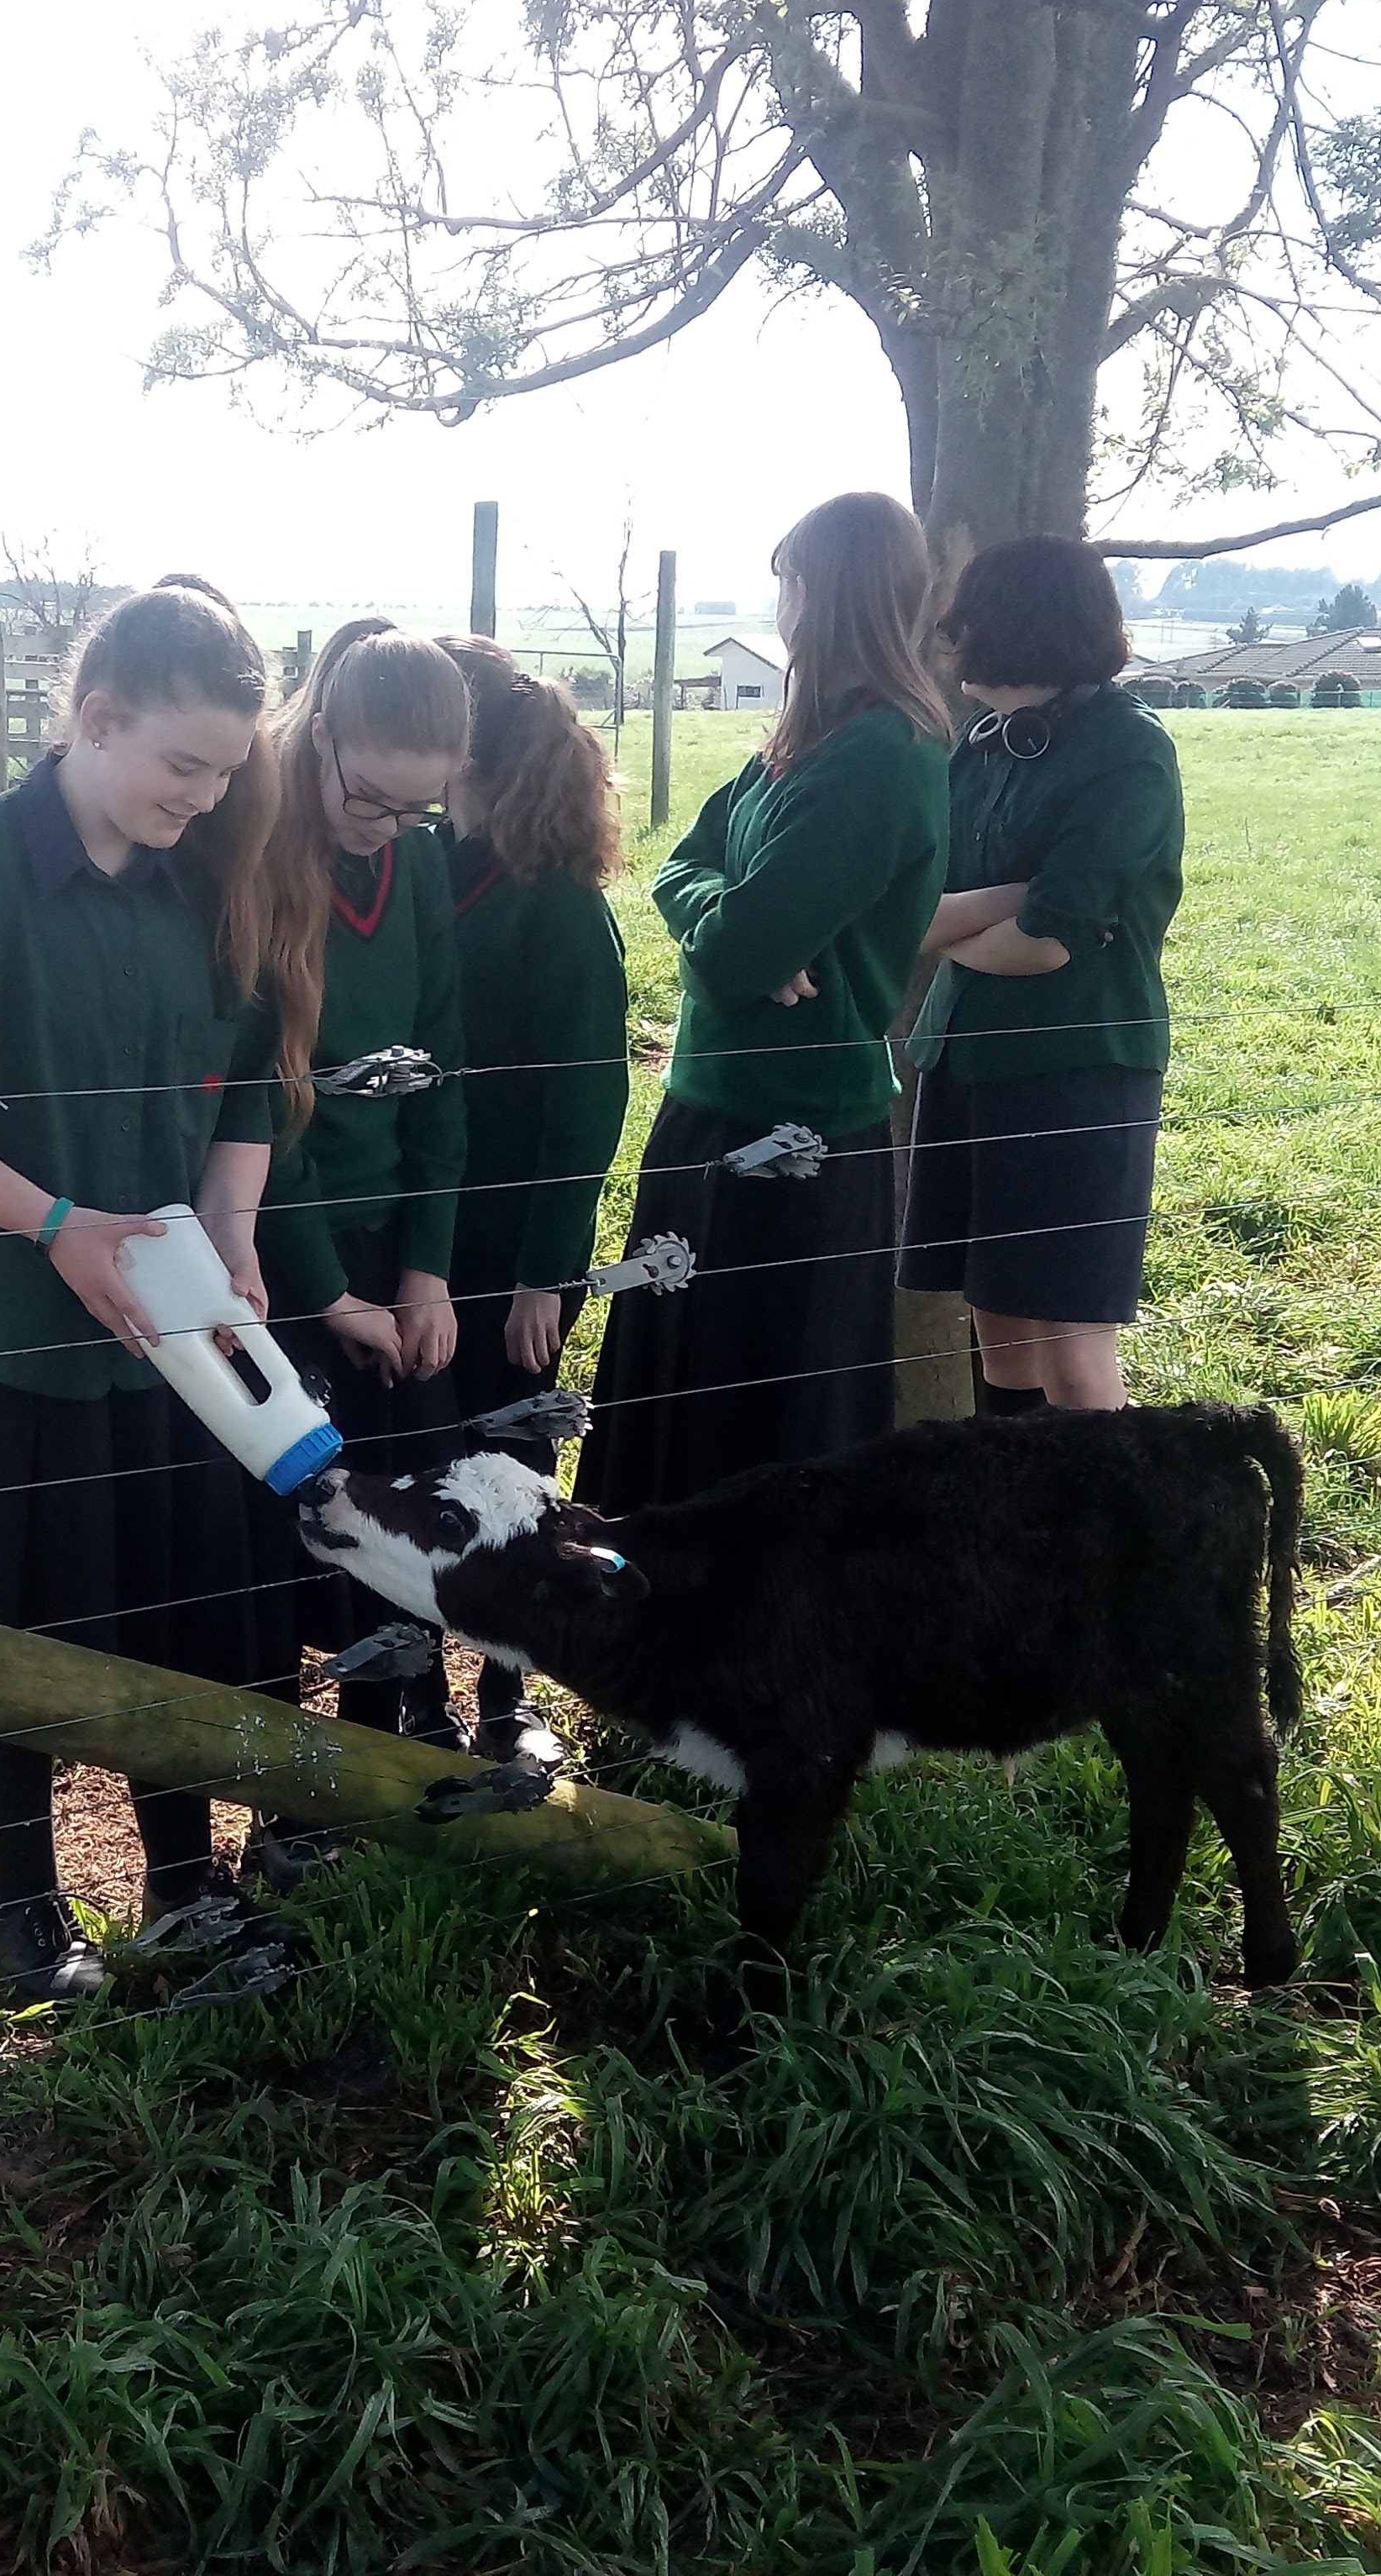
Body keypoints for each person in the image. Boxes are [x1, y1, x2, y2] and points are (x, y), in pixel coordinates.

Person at [0, 576, 302, 2005]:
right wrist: (57, 1226)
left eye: (228, 770)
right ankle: (24, 1907)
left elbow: (249, 1085)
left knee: (175, 1603)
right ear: (96, 719)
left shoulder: (207, 882)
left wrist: (233, 1236)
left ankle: (181, 1883)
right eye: (183, 764)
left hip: (169, 1338)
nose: (209, 795)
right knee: (8, 1622)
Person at [577, 492, 953, 1515]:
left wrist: (735, 938)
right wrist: (728, 924)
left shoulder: (880, 756)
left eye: (785, 581)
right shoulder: (801, 738)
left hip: (797, 1134)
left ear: (822, 593)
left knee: (759, 1421)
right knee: (688, 1409)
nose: (777, 603)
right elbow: (681, 870)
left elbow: (737, 953)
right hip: (717, 1102)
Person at [231, 620, 473, 1869]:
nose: (386, 824)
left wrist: (428, 1268)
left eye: (417, 808)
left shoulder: (415, 865)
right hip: (286, 1261)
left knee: (405, 1516)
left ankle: (389, 1757)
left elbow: (444, 1068)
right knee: (292, 1522)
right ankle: (288, 1793)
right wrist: (329, 1293)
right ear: (318, 733)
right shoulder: (257, 857)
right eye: (369, 797)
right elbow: (267, 1104)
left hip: (397, 1261)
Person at [901, 534, 1184, 1411]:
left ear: (1019, 623)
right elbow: (913, 907)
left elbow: (1045, 945)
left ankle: (1098, 1543)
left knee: (1068, 1336)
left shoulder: (1125, 750)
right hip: (966, 1059)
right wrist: (1011, 898)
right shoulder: (980, 744)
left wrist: (943, 924)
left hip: (1076, 1074)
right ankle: (1015, 1533)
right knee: (997, 1328)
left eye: (966, 615)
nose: (948, 635)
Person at [428, 631, 627, 1764]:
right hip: (426, 1242)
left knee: (508, 1478)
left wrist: (543, 1273)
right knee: (421, 1470)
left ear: (462, 750)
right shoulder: (425, 870)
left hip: (510, 1258)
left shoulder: (554, 909)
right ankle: (419, 1691)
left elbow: (587, 1110)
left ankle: (507, 1702)